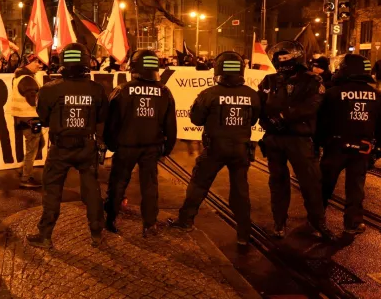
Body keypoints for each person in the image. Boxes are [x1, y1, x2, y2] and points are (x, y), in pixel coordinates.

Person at [169, 52, 260, 245]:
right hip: (241, 149)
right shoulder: (252, 94)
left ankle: (185, 220)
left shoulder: (209, 93)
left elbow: (196, 119)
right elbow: (254, 120)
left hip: (215, 149)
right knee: (240, 192)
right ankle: (244, 234)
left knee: (199, 185)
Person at [27, 43, 109, 249]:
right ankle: (97, 232)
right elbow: (102, 118)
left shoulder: (49, 89)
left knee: (52, 191)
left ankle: (45, 235)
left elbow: (43, 119)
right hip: (86, 146)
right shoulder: (97, 89)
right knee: (91, 189)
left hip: (60, 148)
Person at [257, 41, 333, 240]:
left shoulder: (312, 80)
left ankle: (318, 223)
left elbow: (312, 106)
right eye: (279, 58)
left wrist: (283, 117)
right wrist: (268, 123)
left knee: (310, 183)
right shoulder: (269, 80)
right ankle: (279, 223)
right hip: (274, 139)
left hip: (300, 139)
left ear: (296, 57)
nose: (282, 61)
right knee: (278, 183)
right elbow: (260, 106)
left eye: (286, 58)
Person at [104, 50, 177, 236]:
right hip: (151, 147)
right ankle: (150, 224)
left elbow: (110, 122)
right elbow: (170, 124)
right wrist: (167, 148)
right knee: (150, 185)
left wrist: (111, 144)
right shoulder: (164, 91)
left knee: (118, 183)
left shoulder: (122, 90)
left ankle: (110, 219)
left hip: (125, 146)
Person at [317, 54, 381, 235]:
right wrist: (377, 150)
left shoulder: (333, 94)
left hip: (335, 146)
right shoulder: (376, 96)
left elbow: (321, 121)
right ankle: (353, 222)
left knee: (325, 185)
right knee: (356, 187)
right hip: (362, 148)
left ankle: (317, 216)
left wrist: (319, 142)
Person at [9, 53, 43, 188]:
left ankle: (24, 168)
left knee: (38, 142)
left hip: (22, 117)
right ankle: (26, 177)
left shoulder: (20, 77)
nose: (39, 66)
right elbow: (33, 101)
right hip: (31, 118)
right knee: (33, 146)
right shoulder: (28, 79)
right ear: (28, 63)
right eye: (37, 62)